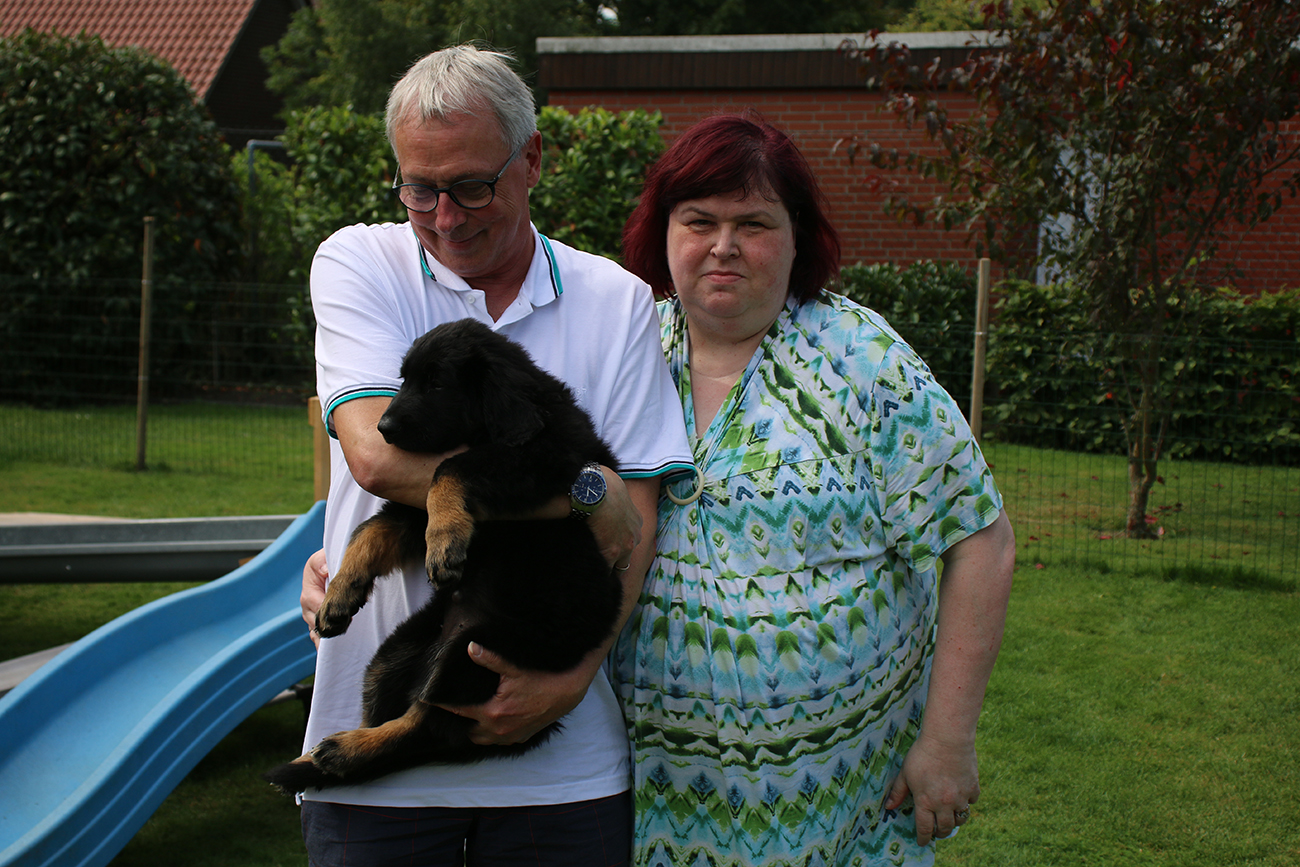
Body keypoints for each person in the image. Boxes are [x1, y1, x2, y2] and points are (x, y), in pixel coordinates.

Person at [297, 44, 692, 866]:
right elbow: (376, 459)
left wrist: (571, 680)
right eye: (420, 188)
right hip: (375, 751)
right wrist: (583, 492)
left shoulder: (616, 300)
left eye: (473, 185)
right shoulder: (359, 262)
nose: (446, 217)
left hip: (562, 768)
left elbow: (638, 521)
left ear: (532, 159)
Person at [614, 113, 1016, 867]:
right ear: (661, 231)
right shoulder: (625, 351)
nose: (724, 245)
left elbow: (980, 542)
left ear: (797, 237)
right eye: (698, 220)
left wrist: (947, 741)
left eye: (754, 223)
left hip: (837, 810)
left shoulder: (865, 363)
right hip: (646, 798)